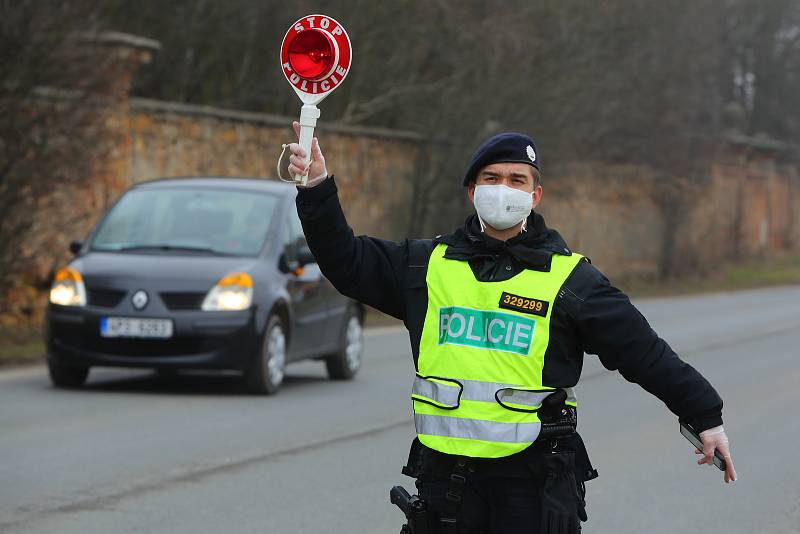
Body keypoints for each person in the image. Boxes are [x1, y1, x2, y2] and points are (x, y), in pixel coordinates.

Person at [286, 123, 736, 534]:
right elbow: (344, 261)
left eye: (517, 180)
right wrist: (316, 187)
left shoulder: (571, 281)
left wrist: (704, 415)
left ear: (536, 196)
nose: (504, 189)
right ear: (471, 190)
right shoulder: (425, 267)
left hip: (534, 483)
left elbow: (644, 353)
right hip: (447, 482)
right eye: (492, 178)